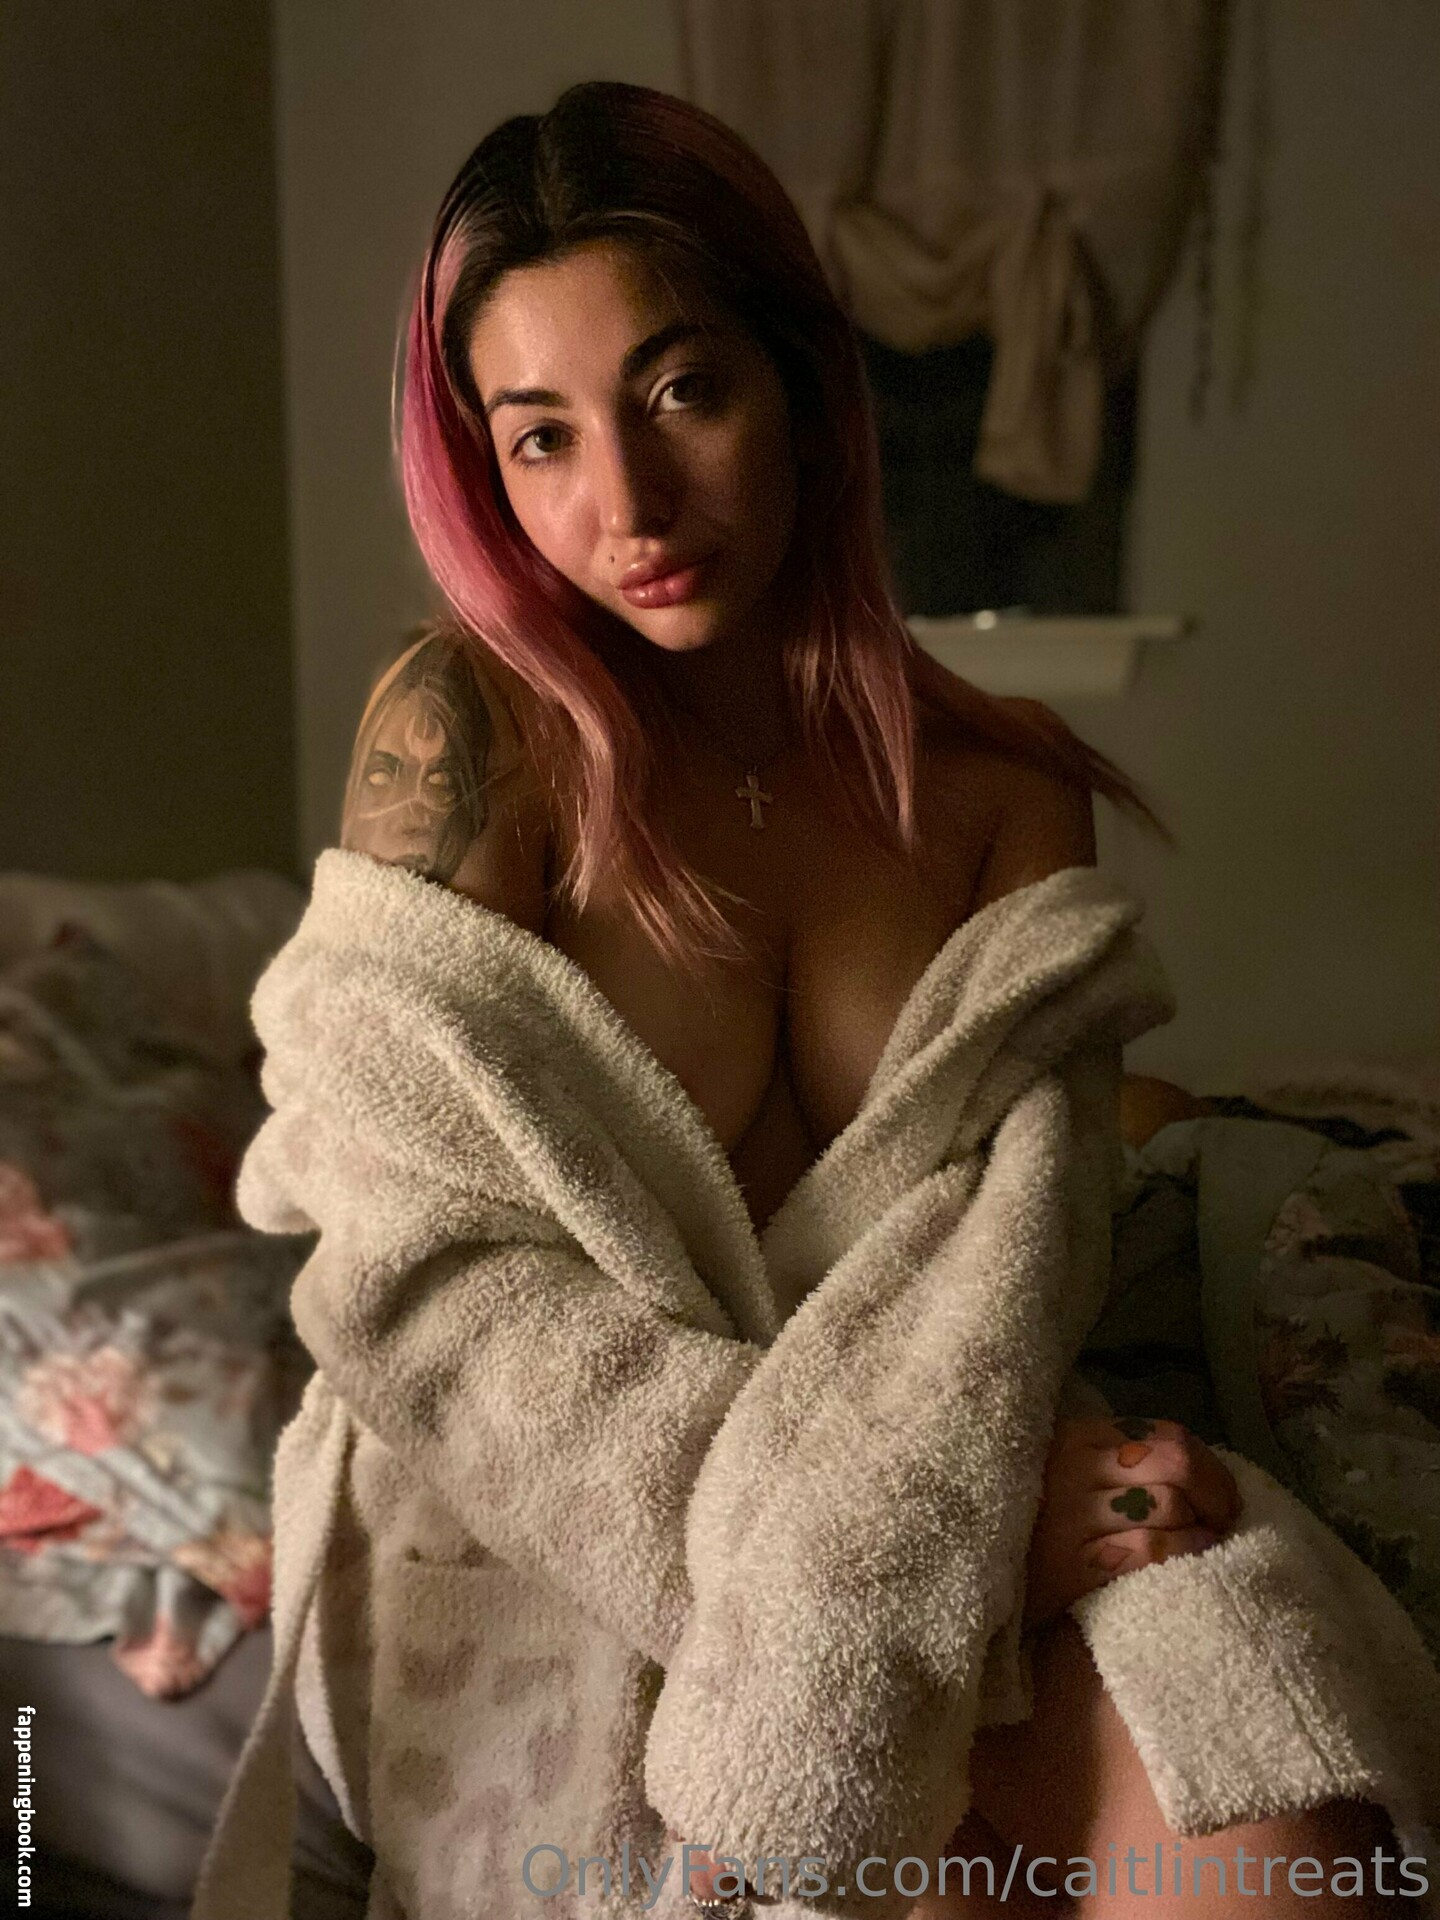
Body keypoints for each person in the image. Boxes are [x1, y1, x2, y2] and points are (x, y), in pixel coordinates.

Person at [339, 81, 1398, 1919]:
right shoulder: (469, 737)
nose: (626, 503)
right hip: (564, 1496)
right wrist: (904, 1554)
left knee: (1281, 1796)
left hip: (938, 1448)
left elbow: (1017, 1252)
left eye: (684, 391)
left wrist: (971, 1507)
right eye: (542, 439)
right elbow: (425, 1282)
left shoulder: (1003, 789)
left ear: (806, 389)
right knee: (912, 1862)